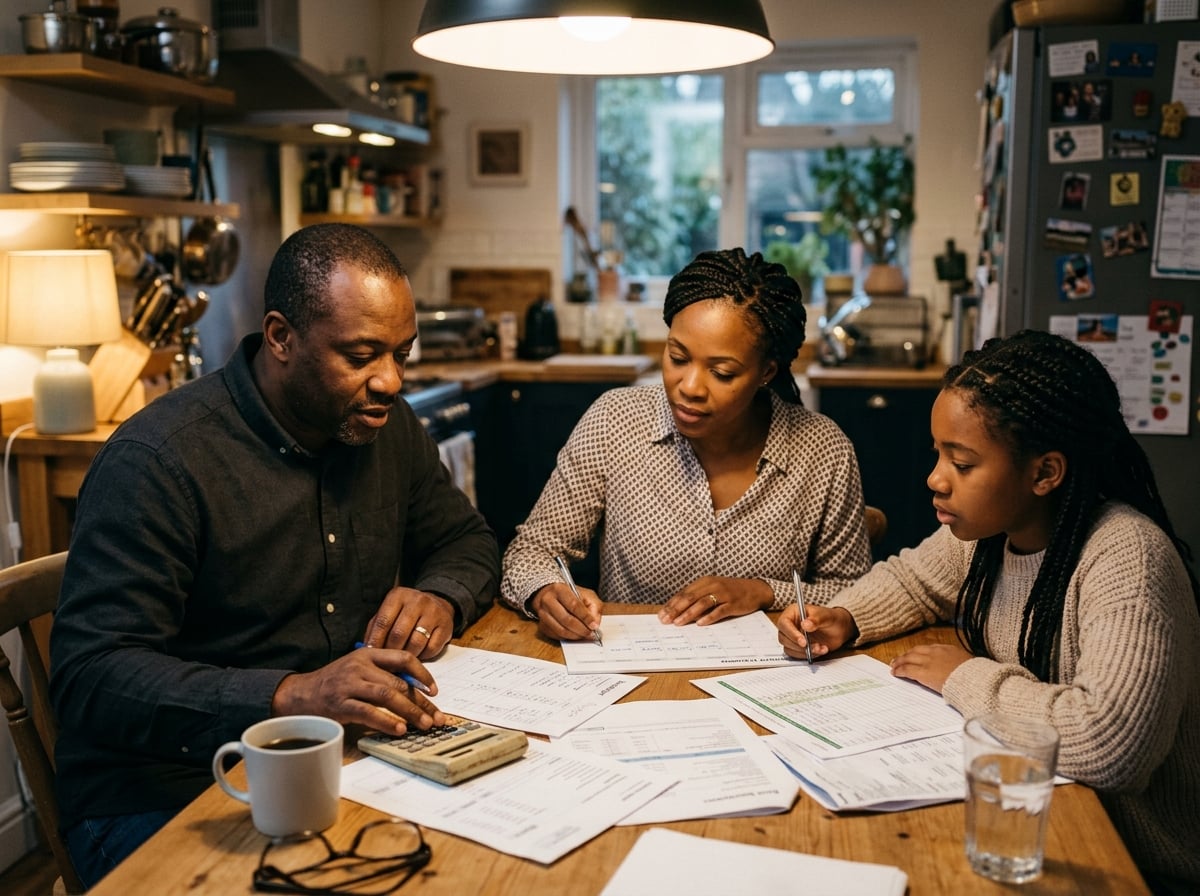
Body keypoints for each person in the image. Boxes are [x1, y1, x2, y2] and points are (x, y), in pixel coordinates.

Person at [49, 223, 500, 887]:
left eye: (402, 353)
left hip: (337, 755)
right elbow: (92, 677)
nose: (391, 381)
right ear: (282, 337)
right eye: (362, 355)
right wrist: (292, 693)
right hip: (166, 788)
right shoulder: (158, 462)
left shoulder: (388, 429)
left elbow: (468, 541)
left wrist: (442, 593)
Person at [777, 330, 1200, 893]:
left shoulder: (1127, 557)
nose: (935, 478)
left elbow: (1109, 744)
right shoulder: (993, 530)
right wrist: (844, 617)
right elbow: (913, 581)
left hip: (1131, 864)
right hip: (1035, 815)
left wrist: (966, 677)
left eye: (963, 461)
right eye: (937, 453)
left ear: (1045, 473)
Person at [501, 247, 872, 641]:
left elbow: (854, 593)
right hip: (632, 677)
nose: (690, 388)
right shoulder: (615, 422)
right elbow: (531, 552)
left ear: (766, 372)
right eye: (677, 358)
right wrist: (545, 592)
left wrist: (762, 591)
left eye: (722, 372)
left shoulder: (822, 449)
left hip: (772, 682)